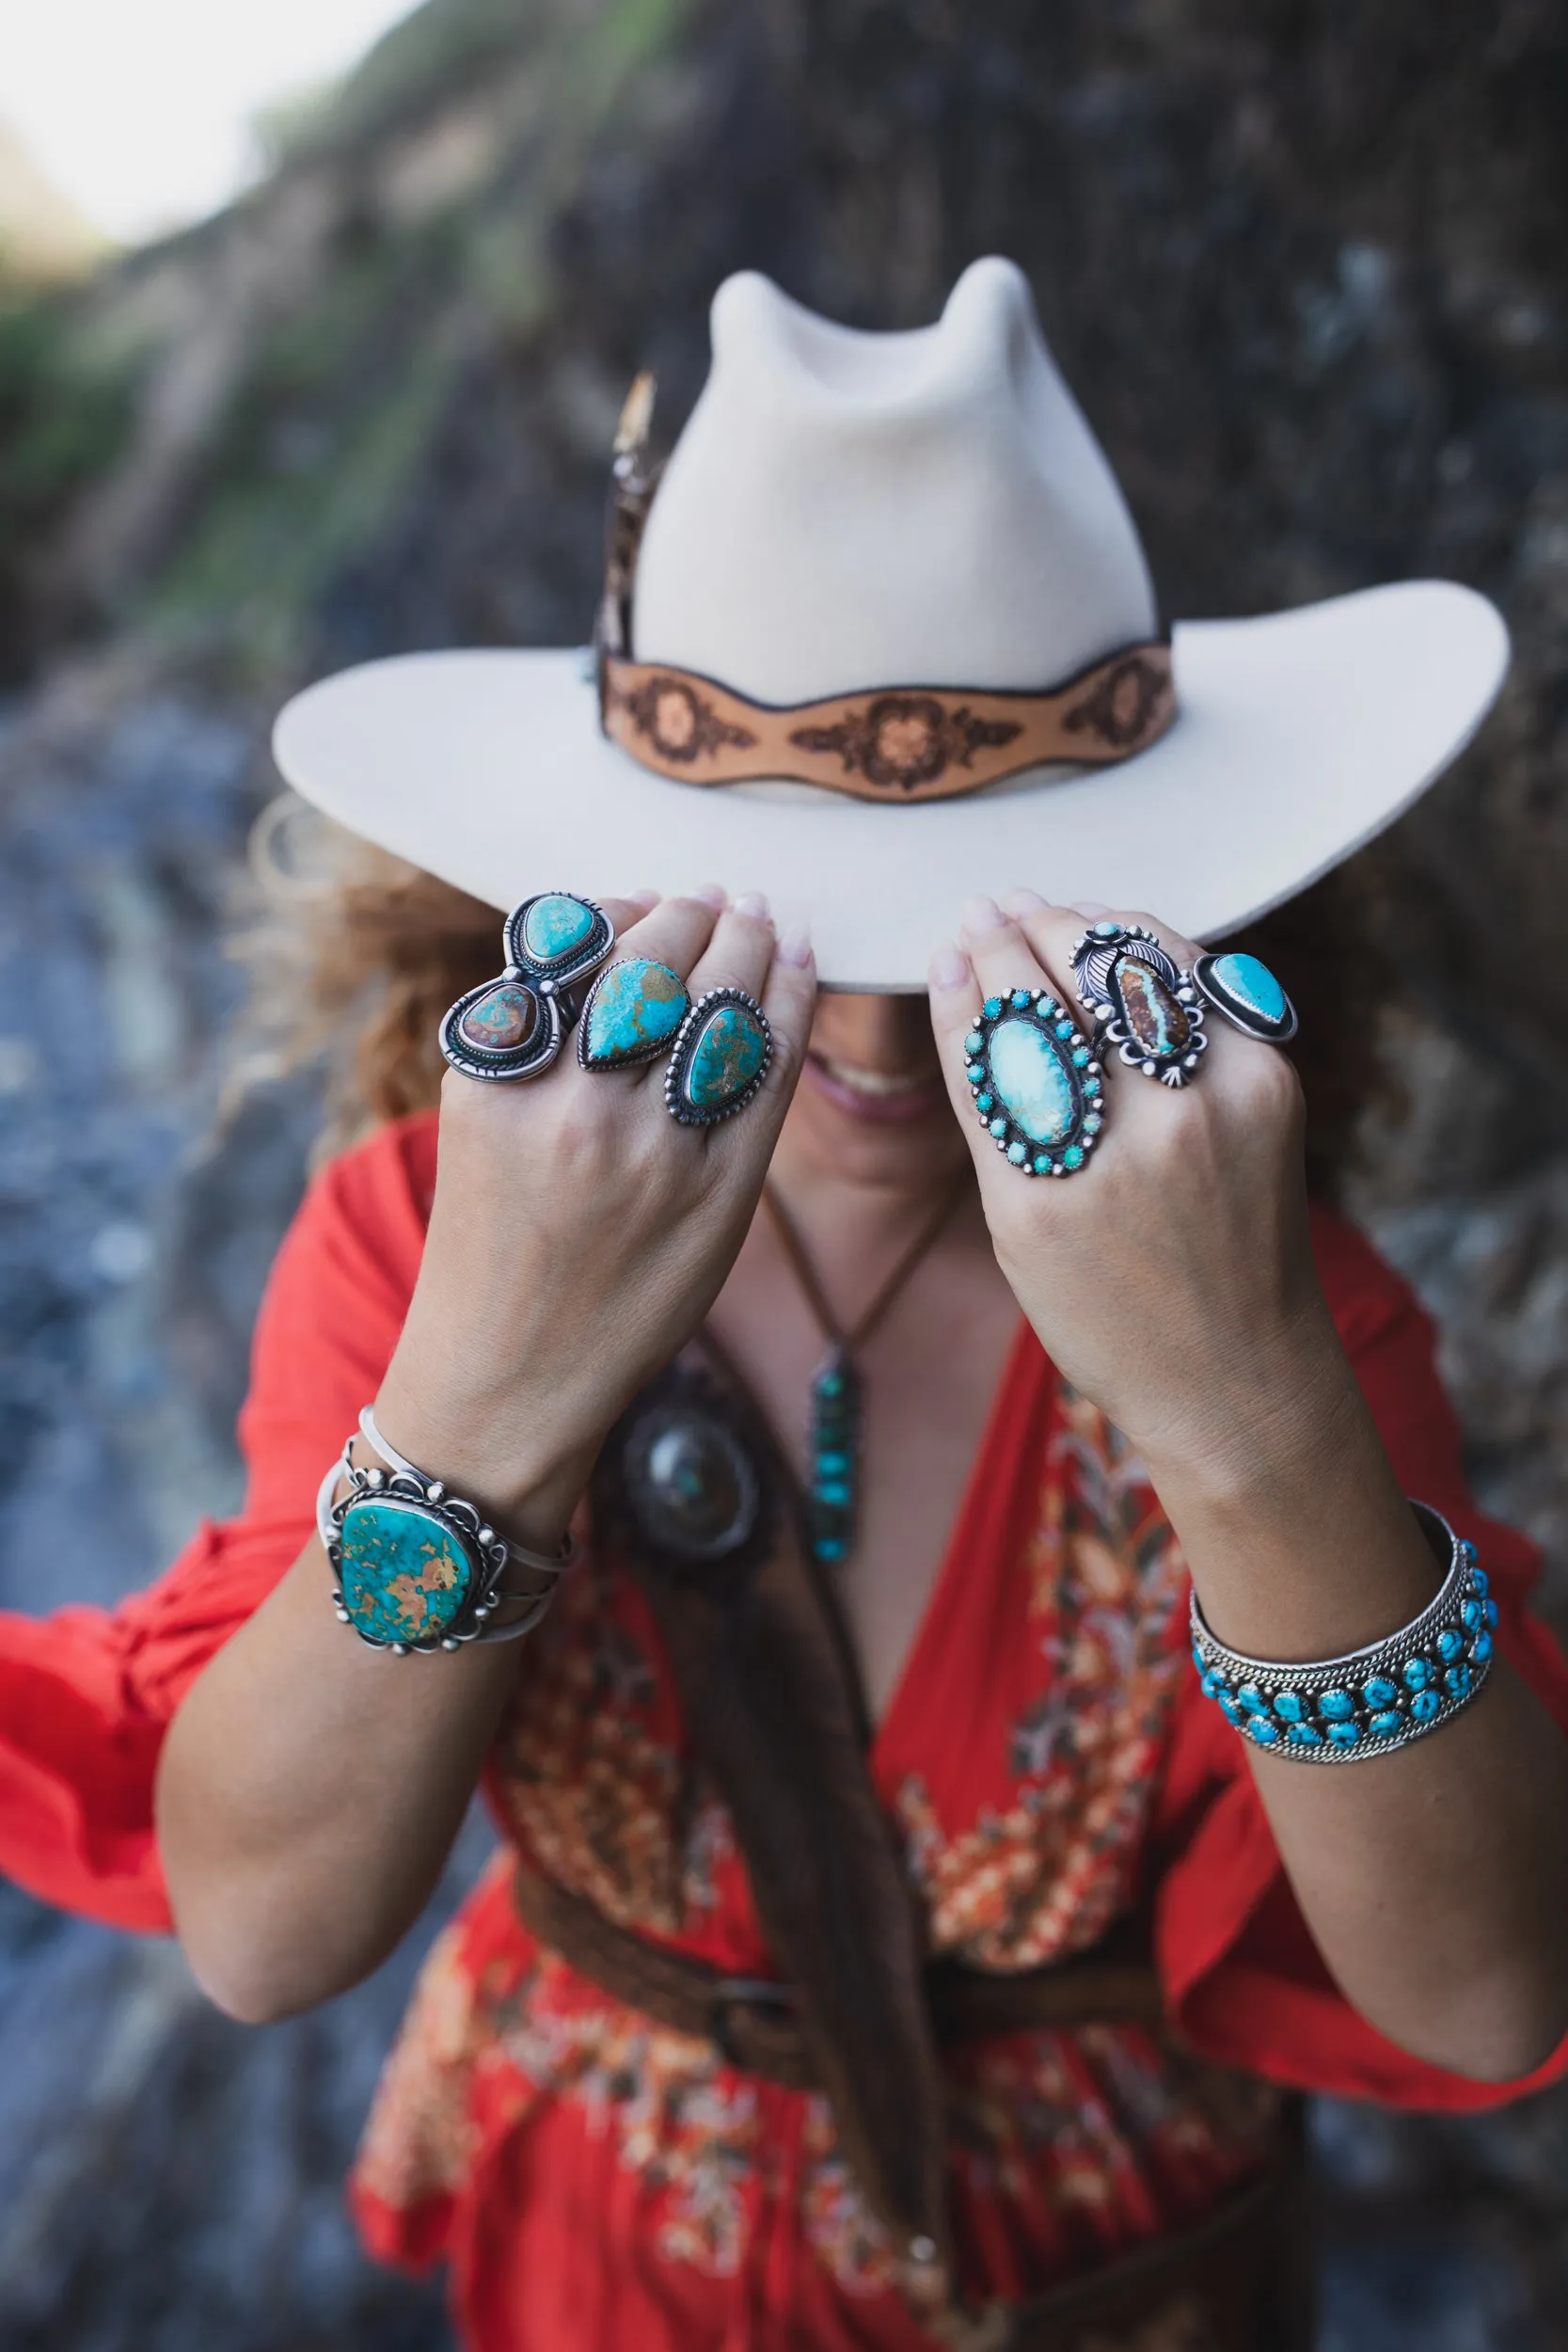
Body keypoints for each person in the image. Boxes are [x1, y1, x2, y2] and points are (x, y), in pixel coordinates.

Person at [3, 257, 1568, 2352]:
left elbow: (1485, 1989)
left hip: (1116, 2294)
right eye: (793, 911)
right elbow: (266, 1928)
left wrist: (1244, 1411)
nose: (873, 1015)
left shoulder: (1268, 1300)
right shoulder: (415, 1239)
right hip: (595, 2275)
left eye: (971, 917)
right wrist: (490, 1389)